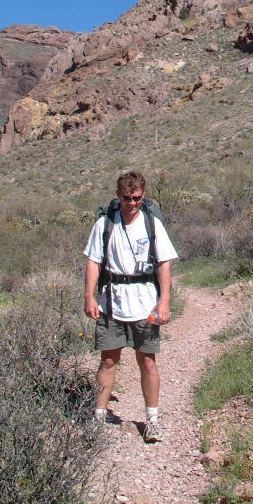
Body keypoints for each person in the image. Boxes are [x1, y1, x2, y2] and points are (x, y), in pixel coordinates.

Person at [84, 169, 178, 442]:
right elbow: (93, 262)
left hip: (145, 302)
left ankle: (152, 420)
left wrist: (164, 301)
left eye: (136, 198)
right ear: (118, 196)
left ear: (143, 195)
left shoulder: (152, 224)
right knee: (108, 359)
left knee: (147, 360)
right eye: (127, 198)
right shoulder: (104, 225)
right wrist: (89, 297)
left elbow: (164, 263)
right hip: (111, 302)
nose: (132, 203)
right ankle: (98, 418)